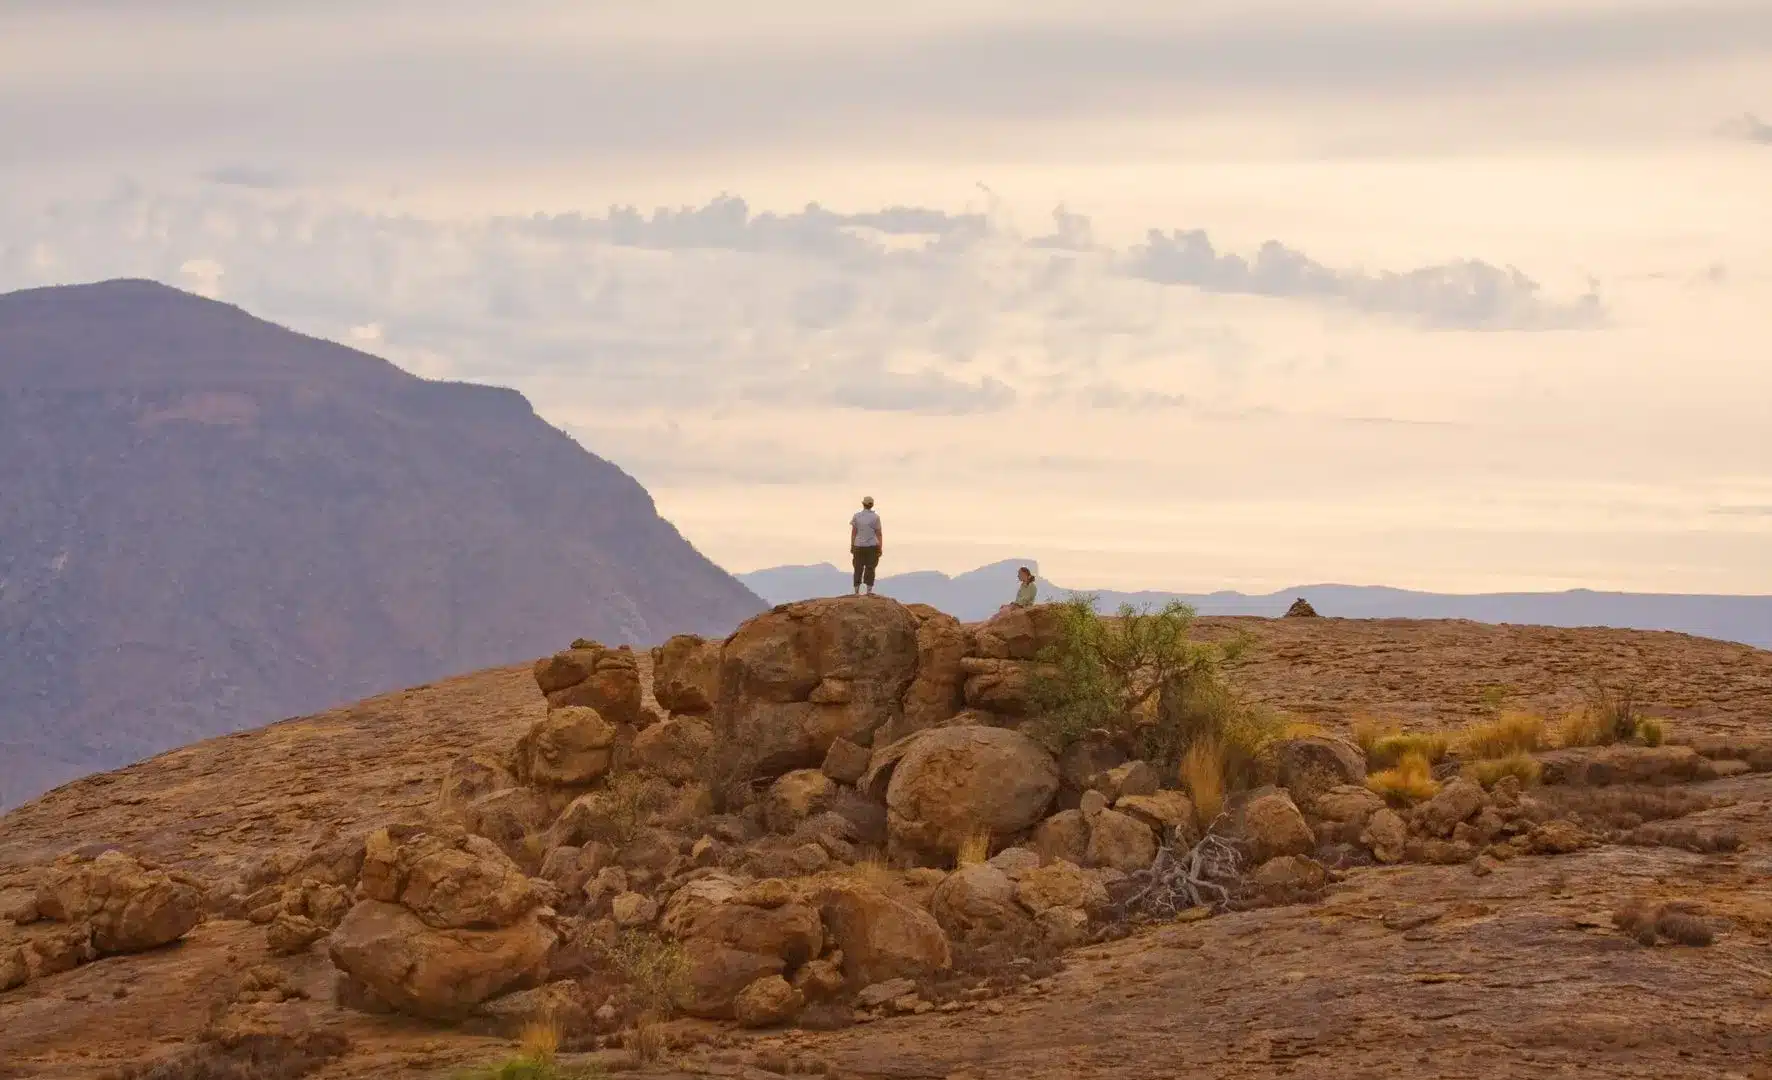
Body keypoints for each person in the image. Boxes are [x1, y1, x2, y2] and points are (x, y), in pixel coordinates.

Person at [850, 496, 883, 596]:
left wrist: (852, 545)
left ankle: (856, 591)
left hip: (858, 545)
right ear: (872, 505)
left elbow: (854, 532)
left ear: (863, 504)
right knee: (870, 568)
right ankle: (869, 591)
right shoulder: (876, 517)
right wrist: (880, 547)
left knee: (858, 568)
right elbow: (879, 533)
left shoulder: (856, 516)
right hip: (872, 546)